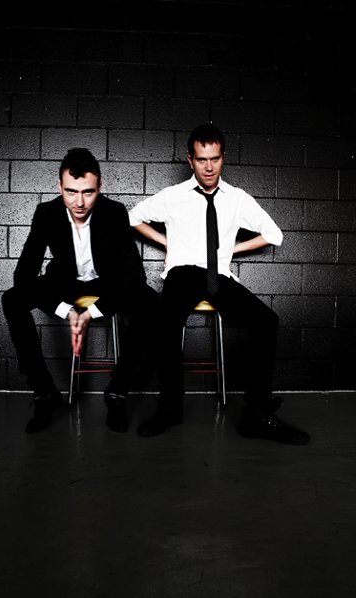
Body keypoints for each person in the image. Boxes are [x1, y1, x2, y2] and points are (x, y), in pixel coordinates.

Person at [129, 123, 310, 445]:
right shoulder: (173, 197)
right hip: (183, 273)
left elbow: (274, 235)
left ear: (223, 157)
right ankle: (170, 408)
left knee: (266, 320)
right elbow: (133, 217)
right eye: (202, 159)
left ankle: (257, 413)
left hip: (218, 275)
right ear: (190, 160)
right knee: (164, 321)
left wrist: (229, 250)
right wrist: (167, 242)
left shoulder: (237, 199)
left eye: (214, 158)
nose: (209, 167)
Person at [2, 147, 159, 434]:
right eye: (71, 192)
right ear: (59, 186)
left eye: (88, 192)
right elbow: (23, 275)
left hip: (105, 284)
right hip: (64, 283)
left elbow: (134, 275)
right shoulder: (46, 213)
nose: (79, 202)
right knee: (12, 298)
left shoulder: (114, 212)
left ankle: (118, 391)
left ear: (100, 186)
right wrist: (67, 311)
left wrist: (90, 313)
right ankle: (44, 392)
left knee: (150, 302)